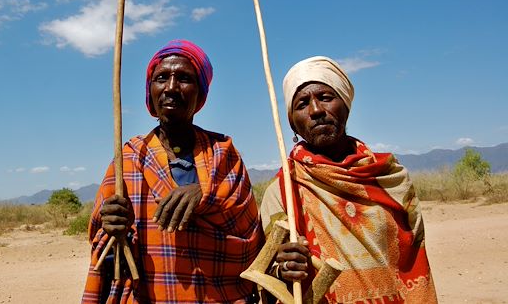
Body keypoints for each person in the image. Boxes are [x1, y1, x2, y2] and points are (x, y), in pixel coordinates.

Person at [82, 39, 264, 303]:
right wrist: (115, 232)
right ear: (150, 91)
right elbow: (110, 262)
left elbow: (248, 239)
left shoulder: (224, 154)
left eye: (184, 78)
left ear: (200, 93)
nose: (171, 88)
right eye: (162, 78)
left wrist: (204, 195)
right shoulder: (130, 158)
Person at [260, 56, 437, 303]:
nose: (316, 111)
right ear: (293, 124)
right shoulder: (282, 191)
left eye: (325, 97)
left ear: (345, 104)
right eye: (302, 104)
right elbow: (267, 274)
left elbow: (414, 258)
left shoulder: (390, 179)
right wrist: (284, 267)